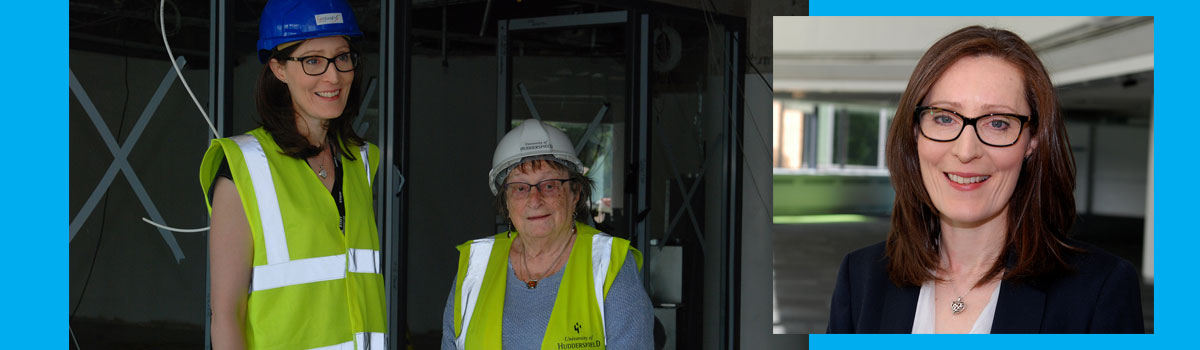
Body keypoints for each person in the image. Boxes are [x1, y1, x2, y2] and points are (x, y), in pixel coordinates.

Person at [826, 26, 1144, 334]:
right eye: (944, 118)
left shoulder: (1100, 290)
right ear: (914, 133)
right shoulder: (861, 277)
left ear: (1032, 141)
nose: (966, 151)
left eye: (998, 123)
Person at [200, 0, 385, 348]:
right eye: (312, 60)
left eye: (342, 57)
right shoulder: (245, 166)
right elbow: (226, 315)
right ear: (278, 68)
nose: (333, 75)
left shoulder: (360, 161)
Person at [441, 119, 654, 349]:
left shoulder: (608, 264)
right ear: (506, 202)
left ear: (576, 194)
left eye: (550, 185)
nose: (535, 200)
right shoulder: (476, 263)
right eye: (520, 188)